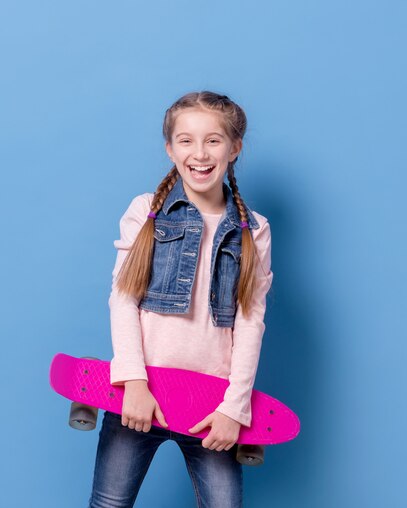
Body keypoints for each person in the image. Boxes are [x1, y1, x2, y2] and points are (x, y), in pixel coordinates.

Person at [88, 91, 274, 508]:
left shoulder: (254, 229)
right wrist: (134, 382)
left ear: (235, 147)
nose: (200, 153)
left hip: (212, 405)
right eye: (186, 140)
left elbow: (250, 322)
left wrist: (234, 408)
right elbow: (122, 300)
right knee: (109, 504)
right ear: (170, 148)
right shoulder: (145, 210)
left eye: (213, 140)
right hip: (139, 398)